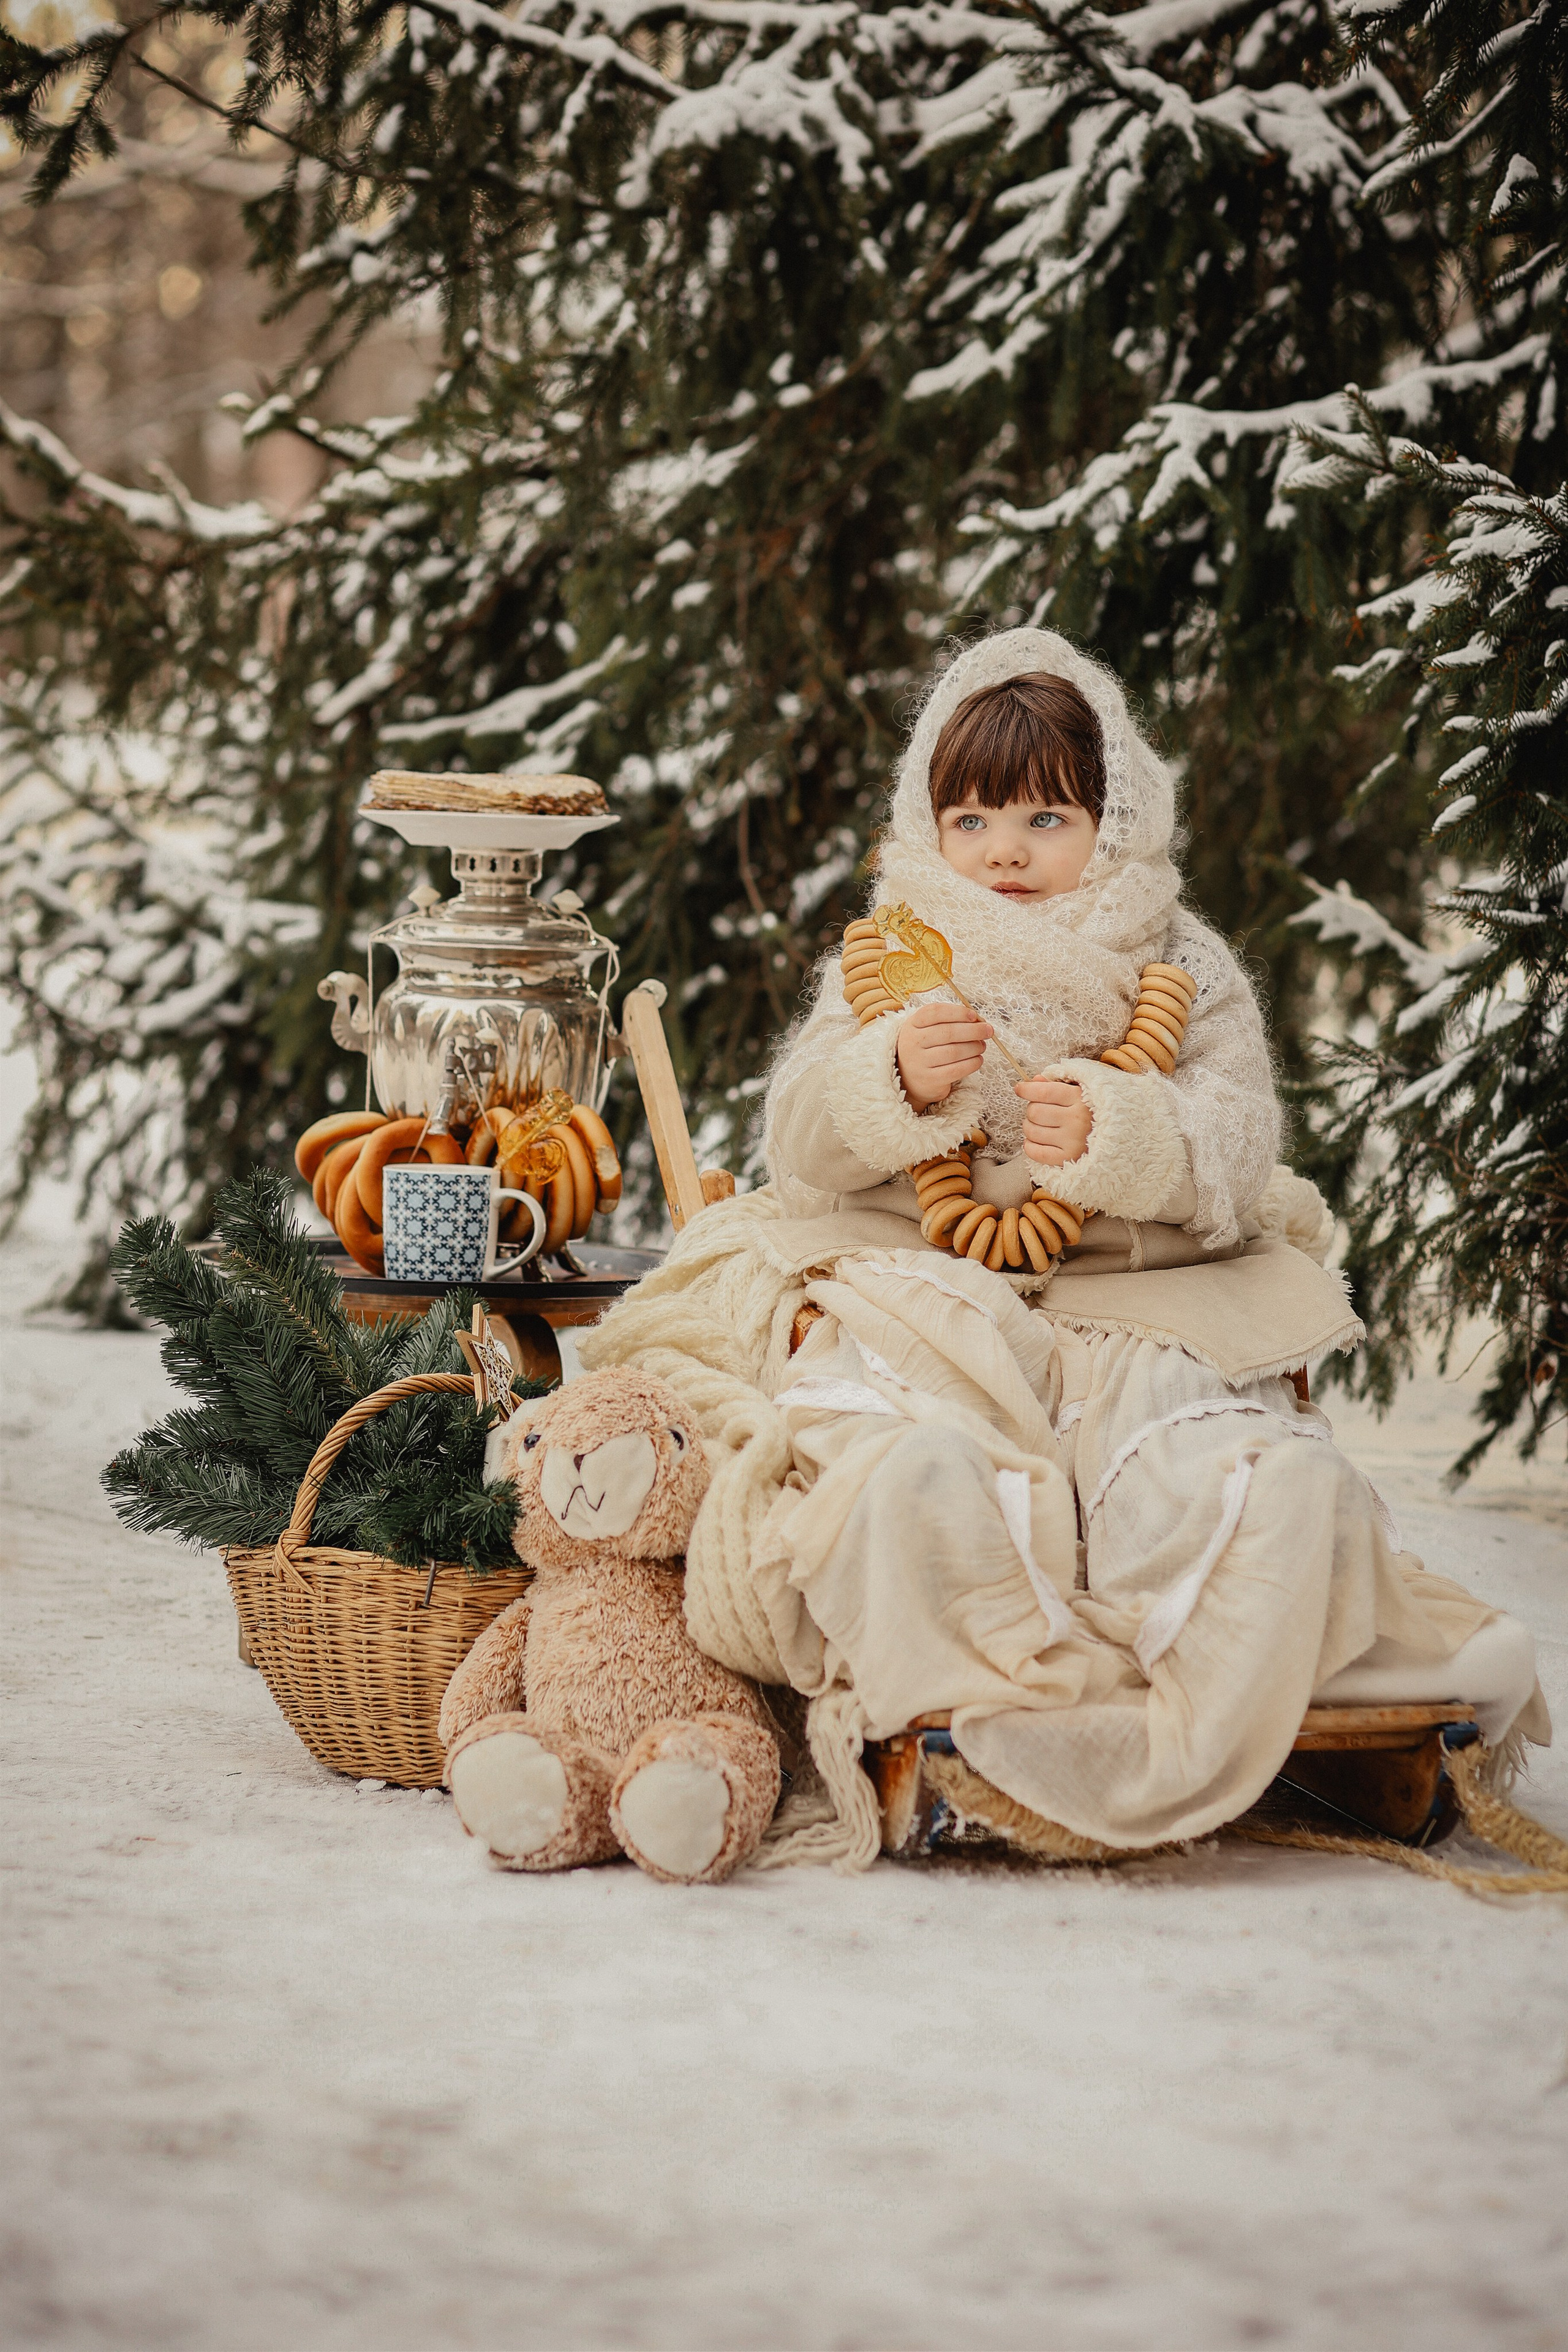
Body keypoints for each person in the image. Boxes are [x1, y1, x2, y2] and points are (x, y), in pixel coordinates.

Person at [589, 628, 1549, 1859]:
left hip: (1130, 1310)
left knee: (1236, 1473)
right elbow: (799, 1134)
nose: (1003, 852)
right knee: (902, 1469)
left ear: (1118, 818)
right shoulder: (891, 951)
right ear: (927, 822)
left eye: (1045, 819)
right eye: (973, 818)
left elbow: (1239, 1142)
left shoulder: (1179, 964)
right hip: (919, 1293)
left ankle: (1211, 1600)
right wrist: (882, 1081)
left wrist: (1130, 1135)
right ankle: (987, 1649)